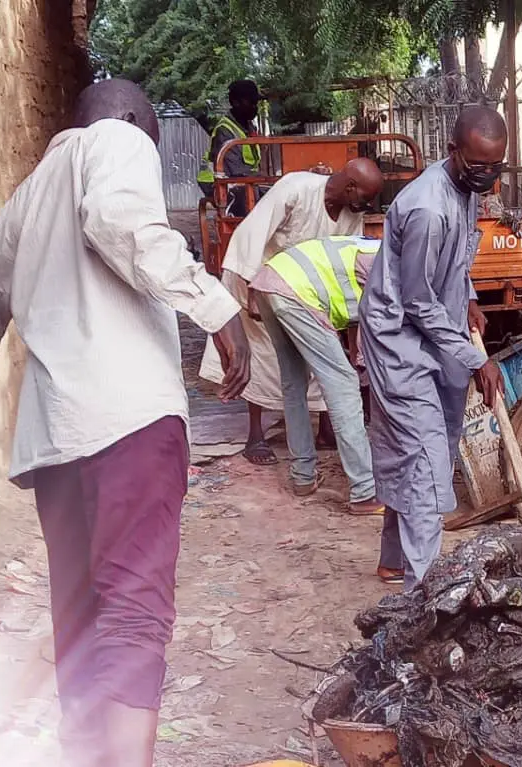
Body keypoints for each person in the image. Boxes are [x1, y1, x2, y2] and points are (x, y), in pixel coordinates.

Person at [0, 79, 250, 767]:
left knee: (79, 616)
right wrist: (216, 307)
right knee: (133, 611)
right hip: (127, 420)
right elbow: (119, 220)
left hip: (53, 442)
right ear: (130, 120)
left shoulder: (21, 203)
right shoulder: (117, 138)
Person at [360, 105, 505, 589]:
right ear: (453, 152)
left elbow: (457, 262)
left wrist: (467, 300)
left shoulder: (464, 191)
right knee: (424, 458)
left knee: (424, 446)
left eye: (496, 165)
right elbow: (418, 302)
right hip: (399, 340)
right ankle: (423, 595)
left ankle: (393, 559)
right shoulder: (426, 207)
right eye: (479, 164)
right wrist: (476, 359)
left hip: (437, 332)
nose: (487, 175)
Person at [199, 158, 384, 466]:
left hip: (305, 289)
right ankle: (255, 435)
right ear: (350, 187)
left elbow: (342, 261)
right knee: (260, 354)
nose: (369, 204)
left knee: (321, 356)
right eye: (365, 197)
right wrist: (253, 292)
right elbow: (251, 236)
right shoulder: (296, 189)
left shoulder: (352, 215)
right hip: (257, 276)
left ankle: (325, 430)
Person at [249, 235, 384, 509]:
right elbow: (378, 320)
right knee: (344, 384)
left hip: (270, 281)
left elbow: (361, 314)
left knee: (293, 382)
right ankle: (365, 491)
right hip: (297, 293)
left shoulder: (377, 250)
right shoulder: (389, 260)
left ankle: (303, 476)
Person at [197, 79, 262, 214]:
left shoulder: (249, 128)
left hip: (242, 181)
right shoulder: (225, 131)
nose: (255, 106)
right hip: (218, 183)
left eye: (256, 102)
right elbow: (236, 172)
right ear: (236, 103)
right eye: (251, 102)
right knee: (252, 198)